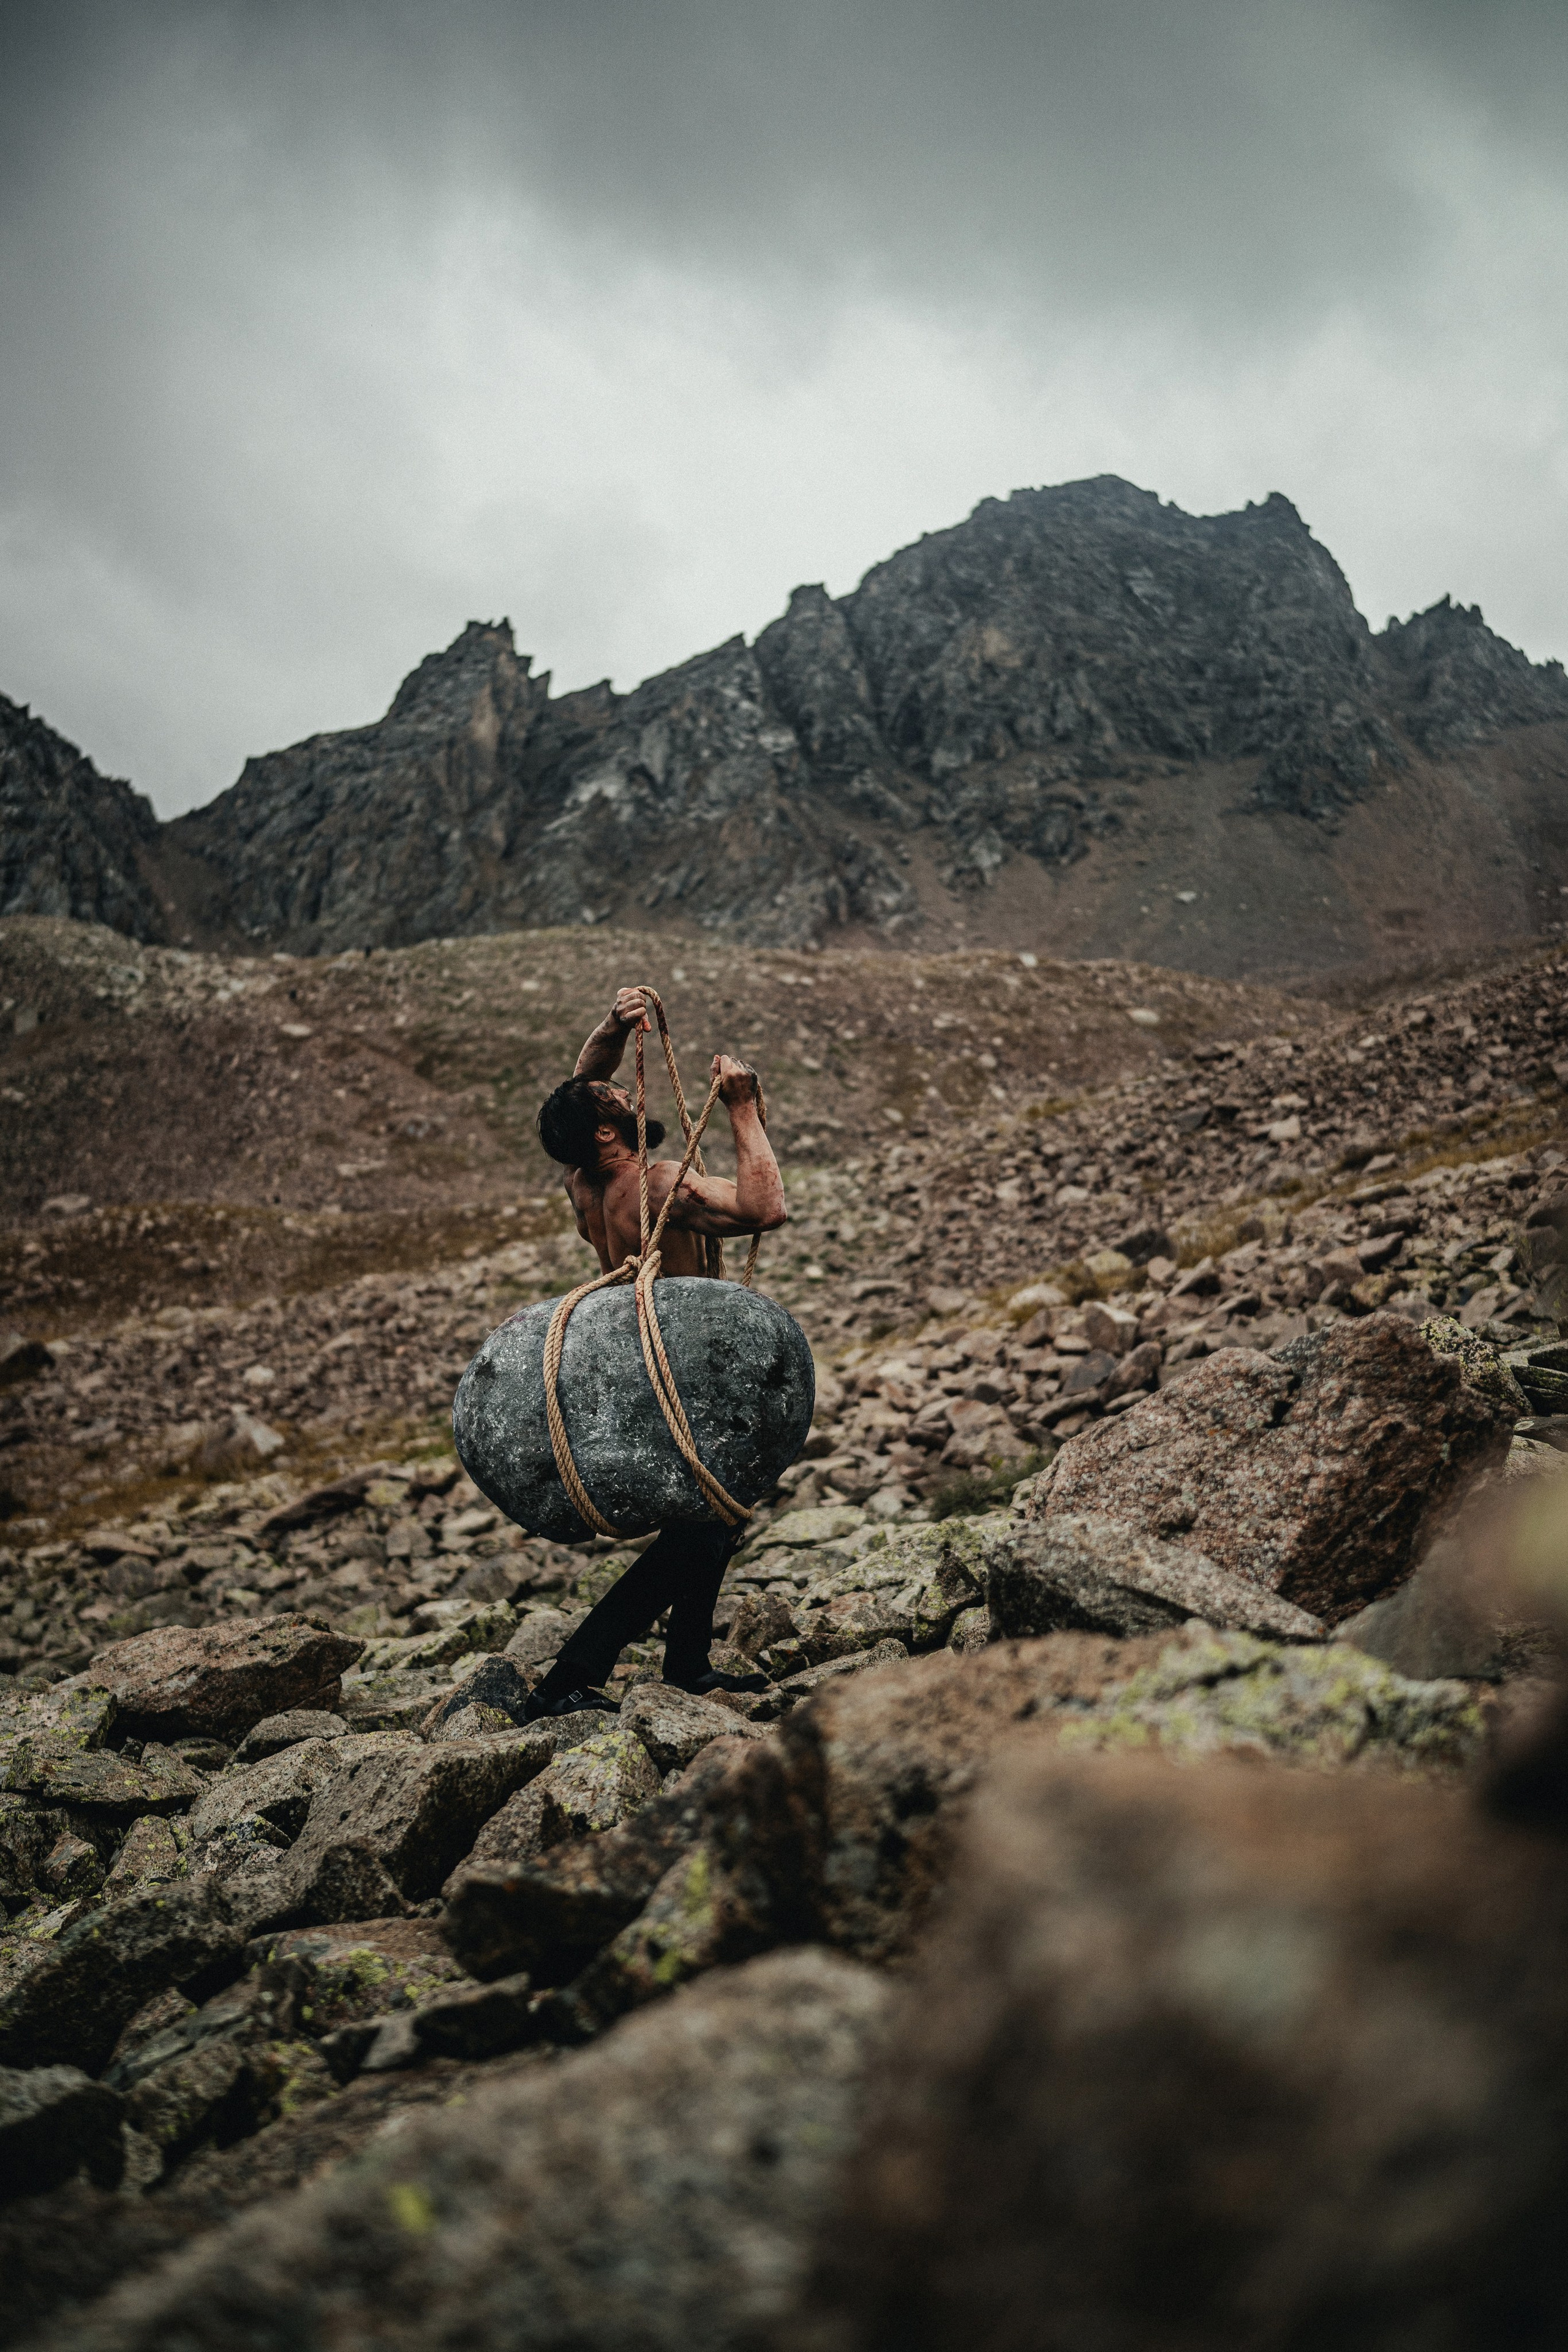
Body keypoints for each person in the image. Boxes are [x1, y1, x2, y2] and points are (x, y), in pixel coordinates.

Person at [524, 986, 789, 1719]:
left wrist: (613, 1025)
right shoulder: (660, 1182)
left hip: (634, 1359)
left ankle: (687, 1664)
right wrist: (741, 1107)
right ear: (608, 1135)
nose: (621, 1096)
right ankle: (572, 1673)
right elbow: (765, 1208)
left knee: (708, 1519)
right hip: (683, 1362)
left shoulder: (583, 1181)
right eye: (615, 1101)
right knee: (711, 1515)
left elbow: (580, 1089)